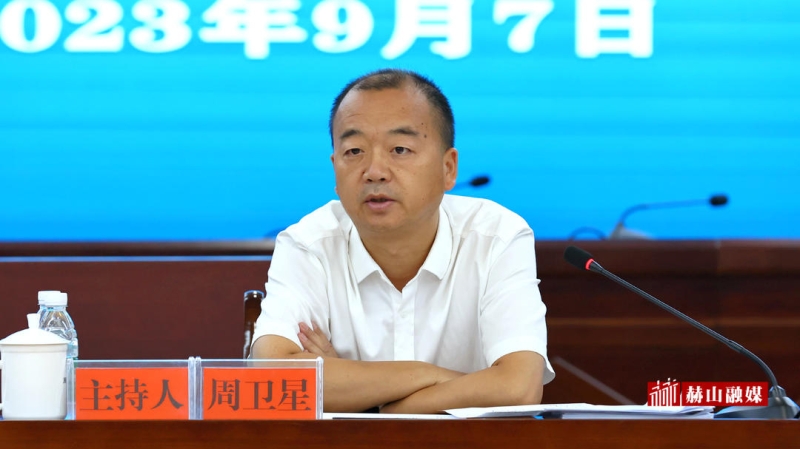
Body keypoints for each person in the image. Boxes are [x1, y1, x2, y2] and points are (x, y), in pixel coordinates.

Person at [251, 68, 554, 413]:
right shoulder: (308, 244)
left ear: (448, 168)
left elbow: (517, 387)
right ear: (335, 168)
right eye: (354, 151)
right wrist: (434, 377)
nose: (375, 171)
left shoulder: (496, 238)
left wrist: (367, 402)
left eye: (399, 149)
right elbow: (272, 377)